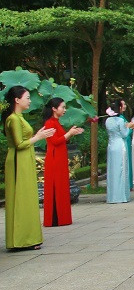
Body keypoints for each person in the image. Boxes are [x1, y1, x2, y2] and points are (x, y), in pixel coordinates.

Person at [4, 86, 55, 249]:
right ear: (17, 100)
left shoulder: (20, 117)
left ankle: (27, 237)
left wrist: (37, 135)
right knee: (21, 198)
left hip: (25, 158)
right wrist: (38, 137)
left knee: (27, 198)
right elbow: (19, 144)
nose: (29, 100)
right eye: (27, 97)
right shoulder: (13, 118)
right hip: (19, 159)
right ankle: (21, 240)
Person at [41, 97, 84, 227]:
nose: (64, 110)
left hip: (59, 157)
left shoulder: (56, 122)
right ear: (54, 108)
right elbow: (55, 141)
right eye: (62, 107)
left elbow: (61, 139)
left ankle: (62, 217)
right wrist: (69, 133)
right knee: (56, 186)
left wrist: (72, 133)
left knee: (61, 185)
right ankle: (55, 218)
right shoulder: (49, 123)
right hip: (54, 158)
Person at [105, 99, 133, 204]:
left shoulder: (107, 120)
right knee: (121, 169)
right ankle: (121, 196)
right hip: (120, 145)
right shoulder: (120, 121)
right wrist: (129, 127)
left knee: (112, 170)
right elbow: (124, 134)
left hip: (111, 145)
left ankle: (112, 196)